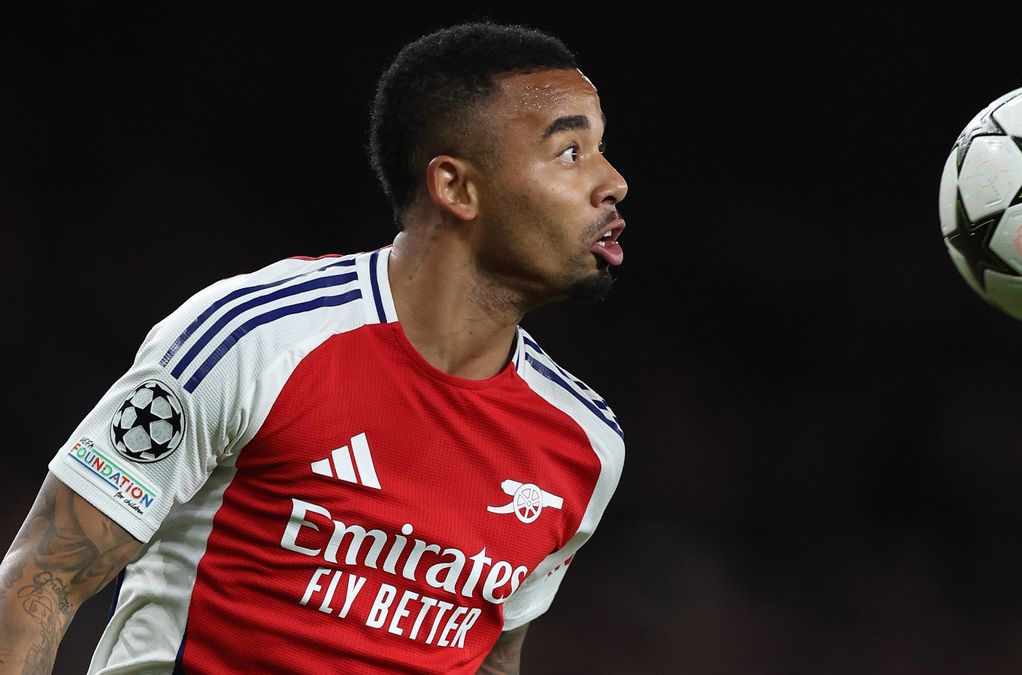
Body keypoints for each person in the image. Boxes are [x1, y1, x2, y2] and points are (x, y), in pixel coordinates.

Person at [0, 20, 628, 674]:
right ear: (457, 188)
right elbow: (40, 579)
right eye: (570, 152)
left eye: (603, 148)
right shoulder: (253, 336)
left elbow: (494, 657)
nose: (613, 181)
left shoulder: (586, 443)